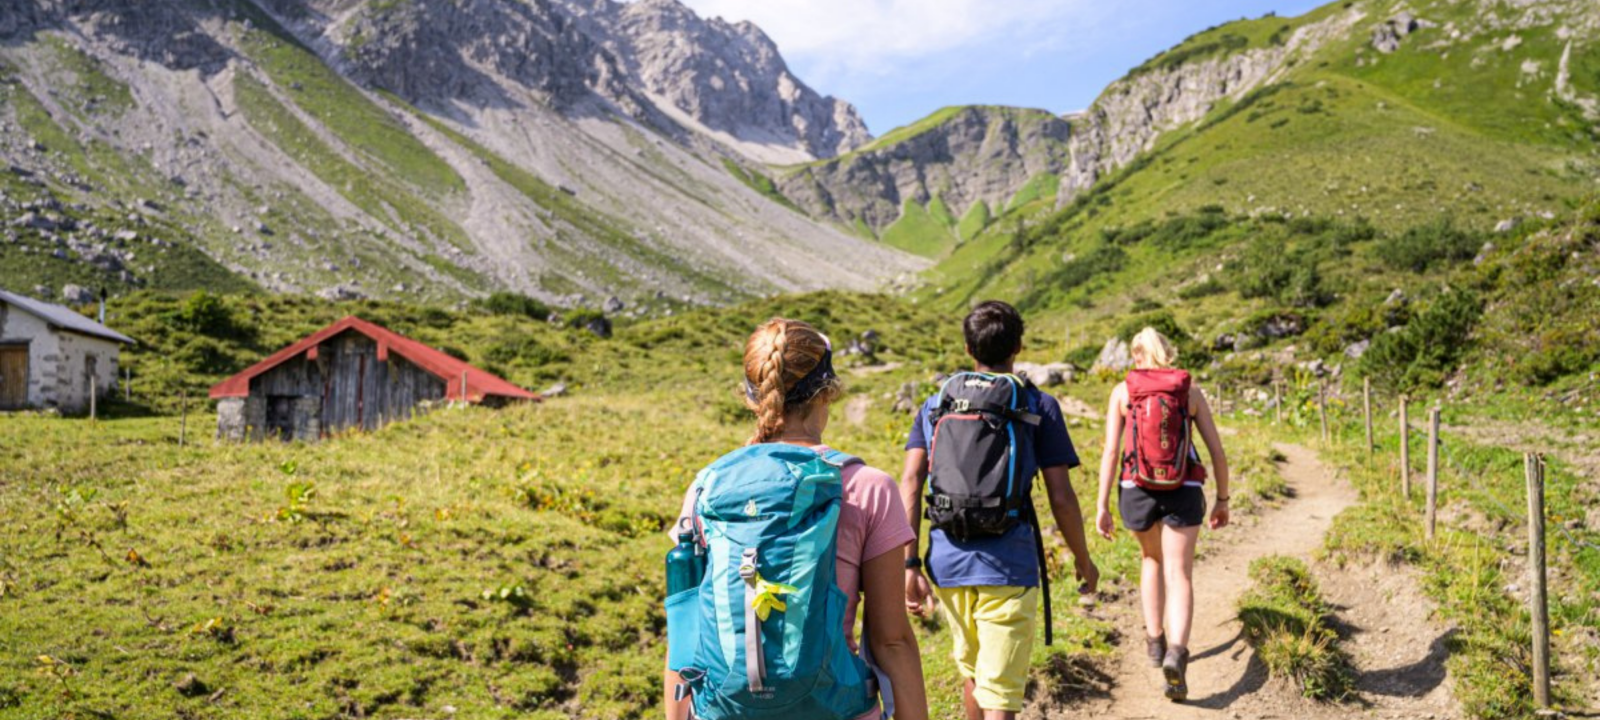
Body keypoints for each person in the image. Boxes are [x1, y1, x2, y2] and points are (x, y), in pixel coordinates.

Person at [663, 318, 930, 720]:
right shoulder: (867, 487)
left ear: (753, 395)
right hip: (833, 707)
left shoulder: (707, 488)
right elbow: (891, 641)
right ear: (827, 392)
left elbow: (684, 638)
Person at [900, 300, 1099, 720]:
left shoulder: (936, 404)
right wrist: (1082, 559)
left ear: (969, 349)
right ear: (1019, 346)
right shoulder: (1036, 404)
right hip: (1008, 564)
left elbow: (911, 482)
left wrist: (909, 564)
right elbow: (1061, 496)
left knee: (975, 675)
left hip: (947, 561)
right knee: (1002, 694)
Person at [1093, 327, 1230, 702]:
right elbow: (1216, 452)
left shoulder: (1123, 392)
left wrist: (1102, 505)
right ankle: (1176, 651)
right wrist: (1223, 499)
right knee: (1180, 572)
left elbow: (1109, 452)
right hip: (1183, 488)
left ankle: (1155, 641)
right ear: (1168, 353)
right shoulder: (1190, 392)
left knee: (1150, 559)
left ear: (1136, 355)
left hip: (1136, 489)